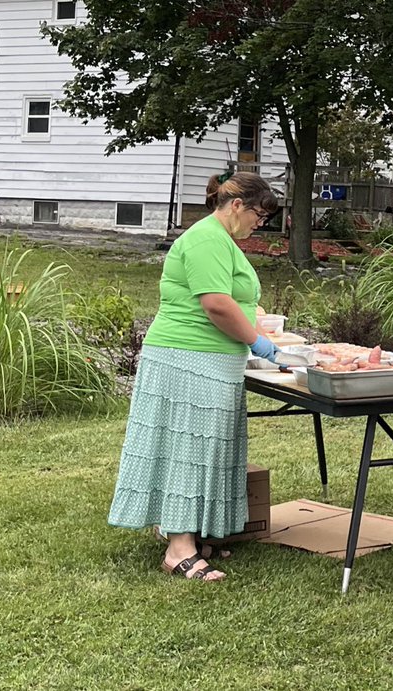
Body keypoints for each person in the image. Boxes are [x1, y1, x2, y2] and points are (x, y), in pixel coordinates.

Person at [107, 171, 281, 581]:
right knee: (186, 452)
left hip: (211, 360)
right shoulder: (205, 239)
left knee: (204, 452)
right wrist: (257, 342)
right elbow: (217, 305)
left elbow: (232, 298)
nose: (261, 223)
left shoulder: (222, 241)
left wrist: (253, 321)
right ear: (236, 205)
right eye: (259, 214)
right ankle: (179, 549)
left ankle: (190, 531)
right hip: (187, 359)